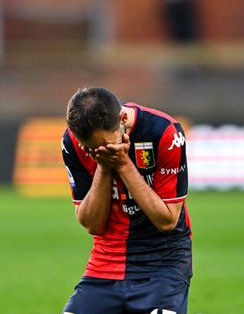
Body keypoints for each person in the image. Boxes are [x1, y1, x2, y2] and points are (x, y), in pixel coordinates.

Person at [61, 87, 192, 314]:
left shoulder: (165, 132)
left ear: (122, 119)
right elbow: (92, 224)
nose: (96, 151)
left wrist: (122, 164)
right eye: (91, 149)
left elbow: (167, 220)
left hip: (162, 261)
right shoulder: (72, 143)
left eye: (103, 146)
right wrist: (103, 164)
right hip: (106, 259)